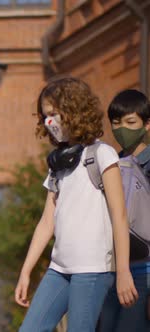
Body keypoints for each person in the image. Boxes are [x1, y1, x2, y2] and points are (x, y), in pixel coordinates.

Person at [14, 77, 138, 331]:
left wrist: (123, 271)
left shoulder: (102, 154)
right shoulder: (58, 163)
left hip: (92, 270)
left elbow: (119, 217)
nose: (50, 122)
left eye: (54, 114)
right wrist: (26, 271)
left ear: (74, 110)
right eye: (45, 116)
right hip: (58, 269)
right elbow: (47, 221)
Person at [98, 89, 150, 331]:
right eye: (116, 123)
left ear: (147, 125)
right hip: (113, 271)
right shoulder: (112, 163)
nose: (121, 129)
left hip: (144, 273)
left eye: (130, 122)